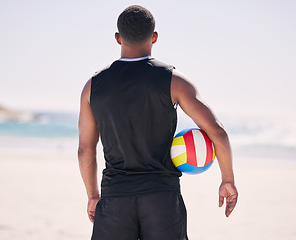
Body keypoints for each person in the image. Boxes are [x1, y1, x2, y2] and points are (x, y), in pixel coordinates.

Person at [78, 5, 238, 240]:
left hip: (115, 196)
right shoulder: (174, 81)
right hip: (161, 197)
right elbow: (218, 132)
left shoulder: (93, 87)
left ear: (118, 38)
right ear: (154, 37)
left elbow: (85, 148)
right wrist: (227, 180)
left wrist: (93, 195)